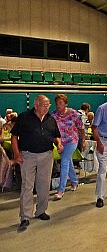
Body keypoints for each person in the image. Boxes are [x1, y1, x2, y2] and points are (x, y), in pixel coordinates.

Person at [11, 95, 63, 232]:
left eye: (48, 105)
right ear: (36, 105)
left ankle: (41, 211)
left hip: (46, 155)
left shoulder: (51, 119)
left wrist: (59, 143)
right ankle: (25, 216)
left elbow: (56, 135)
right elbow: (14, 136)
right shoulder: (24, 117)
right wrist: (16, 154)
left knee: (44, 185)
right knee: (27, 185)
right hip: (27, 155)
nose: (46, 108)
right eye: (43, 105)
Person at [51, 94, 86, 200]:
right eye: (57, 103)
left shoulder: (74, 113)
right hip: (60, 142)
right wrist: (57, 143)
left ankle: (61, 190)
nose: (58, 106)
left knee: (64, 162)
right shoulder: (53, 115)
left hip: (72, 141)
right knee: (68, 162)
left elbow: (81, 128)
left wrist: (83, 140)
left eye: (61, 103)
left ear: (66, 103)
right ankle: (74, 181)